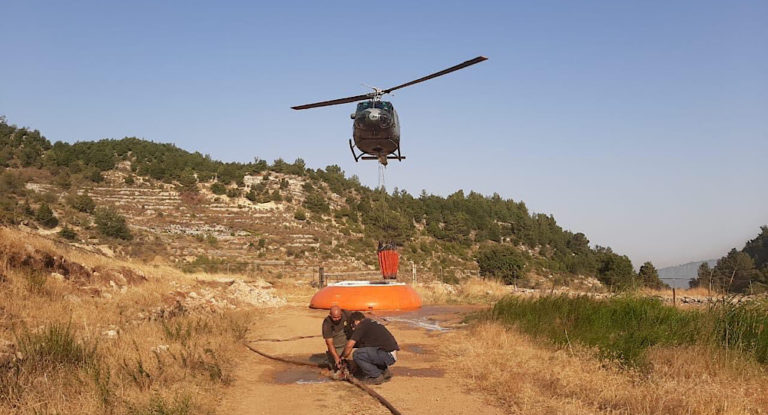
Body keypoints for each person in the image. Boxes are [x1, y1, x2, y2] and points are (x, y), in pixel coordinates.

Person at [340, 311, 399, 385]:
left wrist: (342, 357)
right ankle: (384, 372)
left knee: (357, 354)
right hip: (390, 354)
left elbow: (349, 345)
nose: (353, 328)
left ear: (355, 322)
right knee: (366, 352)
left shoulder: (362, 325)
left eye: (352, 325)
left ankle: (376, 376)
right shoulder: (369, 323)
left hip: (387, 355)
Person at [322, 305, 351, 374]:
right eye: (335, 317)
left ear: (341, 314)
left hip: (349, 342)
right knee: (336, 366)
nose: (337, 319)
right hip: (337, 347)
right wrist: (336, 358)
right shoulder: (327, 323)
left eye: (339, 317)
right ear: (330, 315)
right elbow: (329, 343)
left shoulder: (347, 314)